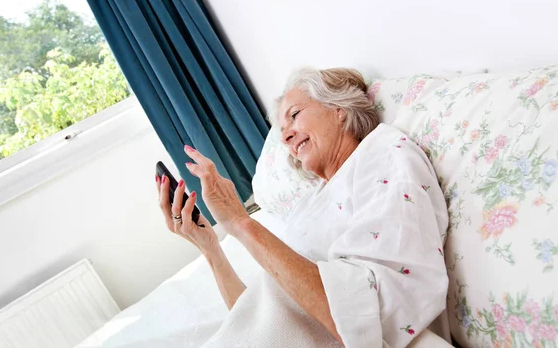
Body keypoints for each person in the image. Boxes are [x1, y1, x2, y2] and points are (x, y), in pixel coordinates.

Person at [156, 68, 450, 348]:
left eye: (295, 115)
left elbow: (366, 321)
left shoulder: (383, 154)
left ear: (340, 110)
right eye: (282, 130)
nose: (284, 136)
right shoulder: (309, 204)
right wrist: (210, 249)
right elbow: (261, 326)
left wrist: (241, 223)